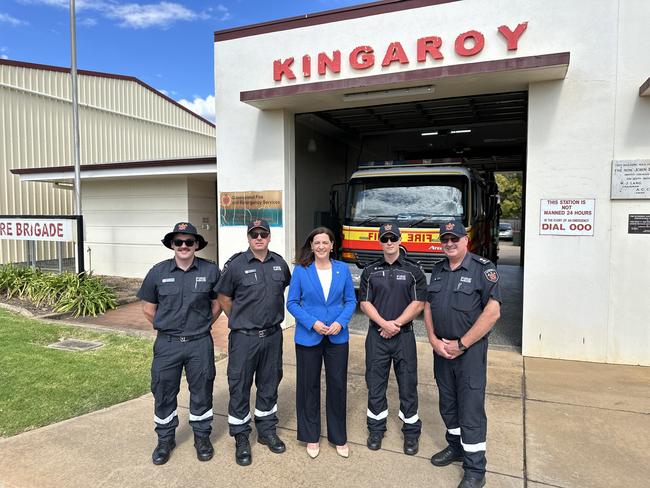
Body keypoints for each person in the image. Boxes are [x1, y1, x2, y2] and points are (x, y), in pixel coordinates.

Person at [424, 220, 501, 488]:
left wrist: (462, 344)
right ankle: (455, 448)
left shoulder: (483, 269)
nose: (449, 244)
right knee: (448, 403)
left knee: (470, 409)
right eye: (444, 239)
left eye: (454, 239)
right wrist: (433, 339)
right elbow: (428, 307)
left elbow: (493, 312)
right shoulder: (438, 269)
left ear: (465, 240)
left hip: (469, 353)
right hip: (442, 351)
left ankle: (475, 469)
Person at [137, 222, 221, 465]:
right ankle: (165, 439)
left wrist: (202, 324)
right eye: (178, 242)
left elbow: (217, 305)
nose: (183, 246)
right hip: (168, 344)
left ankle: (202, 437)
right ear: (172, 245)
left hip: (199, 343)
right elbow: (148, 309)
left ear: (196, 245)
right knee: (163, 391)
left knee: (202, 391)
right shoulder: (158, 272)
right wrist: (170, 327)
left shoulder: (210, 271)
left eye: (189, 242)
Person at [215, 219, 291, 466]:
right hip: (244, 338)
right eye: (254, 234)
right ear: (248, 238)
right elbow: (224, 296)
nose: (259, 238)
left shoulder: (279, 263)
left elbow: (284, 288)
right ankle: (241, 437)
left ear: (269, 237)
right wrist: (238, 317)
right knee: (239, 385)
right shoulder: (236, 265)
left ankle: (267, 430)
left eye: (263, 234)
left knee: (269, 383)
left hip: (272, 336)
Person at [286, 227, 356, 459]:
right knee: (308, 386)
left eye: (325, 242)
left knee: (337, 386)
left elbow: (350, 300)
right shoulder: (301, 271)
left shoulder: (342, 269)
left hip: (337, 336)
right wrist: (312, 323)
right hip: (309, 336)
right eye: (317, 242)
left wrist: (341, 322)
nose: (321, 246)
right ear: (311, 245)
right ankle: (311, 436)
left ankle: (338, 437)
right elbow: (293, 303)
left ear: (332, 245)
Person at [359, 222, 427, 456]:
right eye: (385, 239)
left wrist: (395, 324)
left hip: (403, 337)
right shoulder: (369, 271)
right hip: (377, 336)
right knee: (375, 384)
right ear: (380, 242)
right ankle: (376, 429)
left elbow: (418, 303)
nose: (389, 242)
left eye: (392, 238)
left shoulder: (413, 270)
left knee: (408, 385)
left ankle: (411, 433)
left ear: (400, 240)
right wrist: (384, 324)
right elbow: (365, 303)